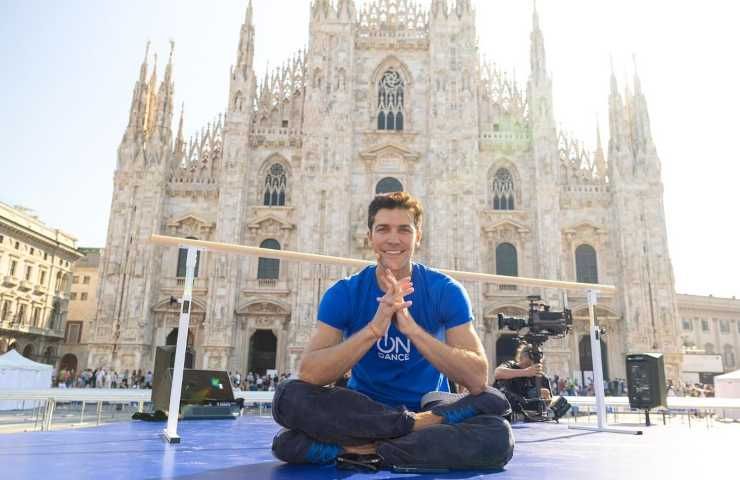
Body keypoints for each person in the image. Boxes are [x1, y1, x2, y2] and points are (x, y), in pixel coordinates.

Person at [271, 192, 514, 471]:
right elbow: (311, 374)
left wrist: (411, 328)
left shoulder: (445, 291)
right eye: (383, 229)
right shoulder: (345, 293)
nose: (393, 239)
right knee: (287, 396)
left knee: (498, 436)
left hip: (424, 406)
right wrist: (375, 328)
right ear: (370, 237)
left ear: (418, 236)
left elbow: (477, 378)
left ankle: (361, 450)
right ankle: (408, 432)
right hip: (366, 410)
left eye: (404, 229)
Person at [493, 343, 570, 422]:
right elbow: (498, 373)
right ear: (521, 357)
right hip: (508, 415)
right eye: (531, 357)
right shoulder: (510, 365)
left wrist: (547, 400)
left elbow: (546, 404)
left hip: (532, 420)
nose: (534, 362)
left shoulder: (542, 378)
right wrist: (525, 372)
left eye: (538, 358)